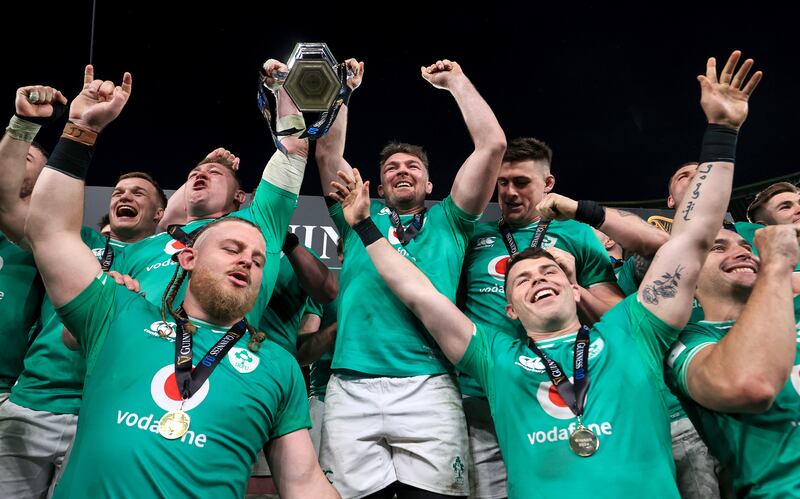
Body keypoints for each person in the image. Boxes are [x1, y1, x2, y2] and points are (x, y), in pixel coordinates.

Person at [329, 50, 760, 498]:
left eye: (547, 269)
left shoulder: (632, 330)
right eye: (521, 279)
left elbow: (690, 241)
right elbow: (417, 292)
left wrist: (723, 132)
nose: (538, 277)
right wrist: (363, 225)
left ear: (573, 287)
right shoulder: (491, 356)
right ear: (509, 308)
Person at [24, 64, 337, 498]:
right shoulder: (120, 308)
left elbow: (305, 483)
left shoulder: (278, 367)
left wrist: (288, 95)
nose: (247, 259)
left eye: (259, 259)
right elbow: (51, 232)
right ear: (186, 258)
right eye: (232, 249)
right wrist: (79, 130)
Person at [315, 57, 506, 498]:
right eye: (391, 169)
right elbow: (328, 153)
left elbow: (492, 146)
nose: (402, 170)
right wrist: (343, 92)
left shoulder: (452, 221)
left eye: (412, 167)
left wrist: (456, 82)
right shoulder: (355, 213)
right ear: (378, 188)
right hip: (351, 385)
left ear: (429, 182)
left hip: (429, 383)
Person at [458, 136, 667, 498]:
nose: (508, 193)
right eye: (502, 183)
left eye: (521, 182)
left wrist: (574, 286)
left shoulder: (575, 232)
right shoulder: (473, 237)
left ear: (548, 184)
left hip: (566, 398)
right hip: (483, 403)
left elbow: (619, 318)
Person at [0, 82, 167, 498]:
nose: (124, 195)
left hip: (103, 413)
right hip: (30, 402)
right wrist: (22, 126)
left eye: (139, 193)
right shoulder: (76, 242)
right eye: (118, 191)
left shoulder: (173, 255)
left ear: (160, 213)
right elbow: (6, 205)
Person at [665, 223, 800, 497]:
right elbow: (751, 385)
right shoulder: (690, 341)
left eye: (747, 247)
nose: (742, 253)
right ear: (690, 276)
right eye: (717, 248)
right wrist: (776, 264)